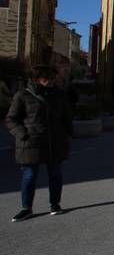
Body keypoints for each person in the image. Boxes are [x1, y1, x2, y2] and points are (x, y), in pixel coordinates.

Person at [5, 65, 73, 221]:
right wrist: (22, 134)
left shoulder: (59, 95)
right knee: (29, 175)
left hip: (55, 141)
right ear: (37, 79)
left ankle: (55, 204)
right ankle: (26, 208)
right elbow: (11, 119)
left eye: (53, 79)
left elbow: (66, 116)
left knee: (55, 174)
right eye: (48, 78)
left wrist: (69, 132)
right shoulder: (23, 96)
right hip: (31, 142)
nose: (52, 81)